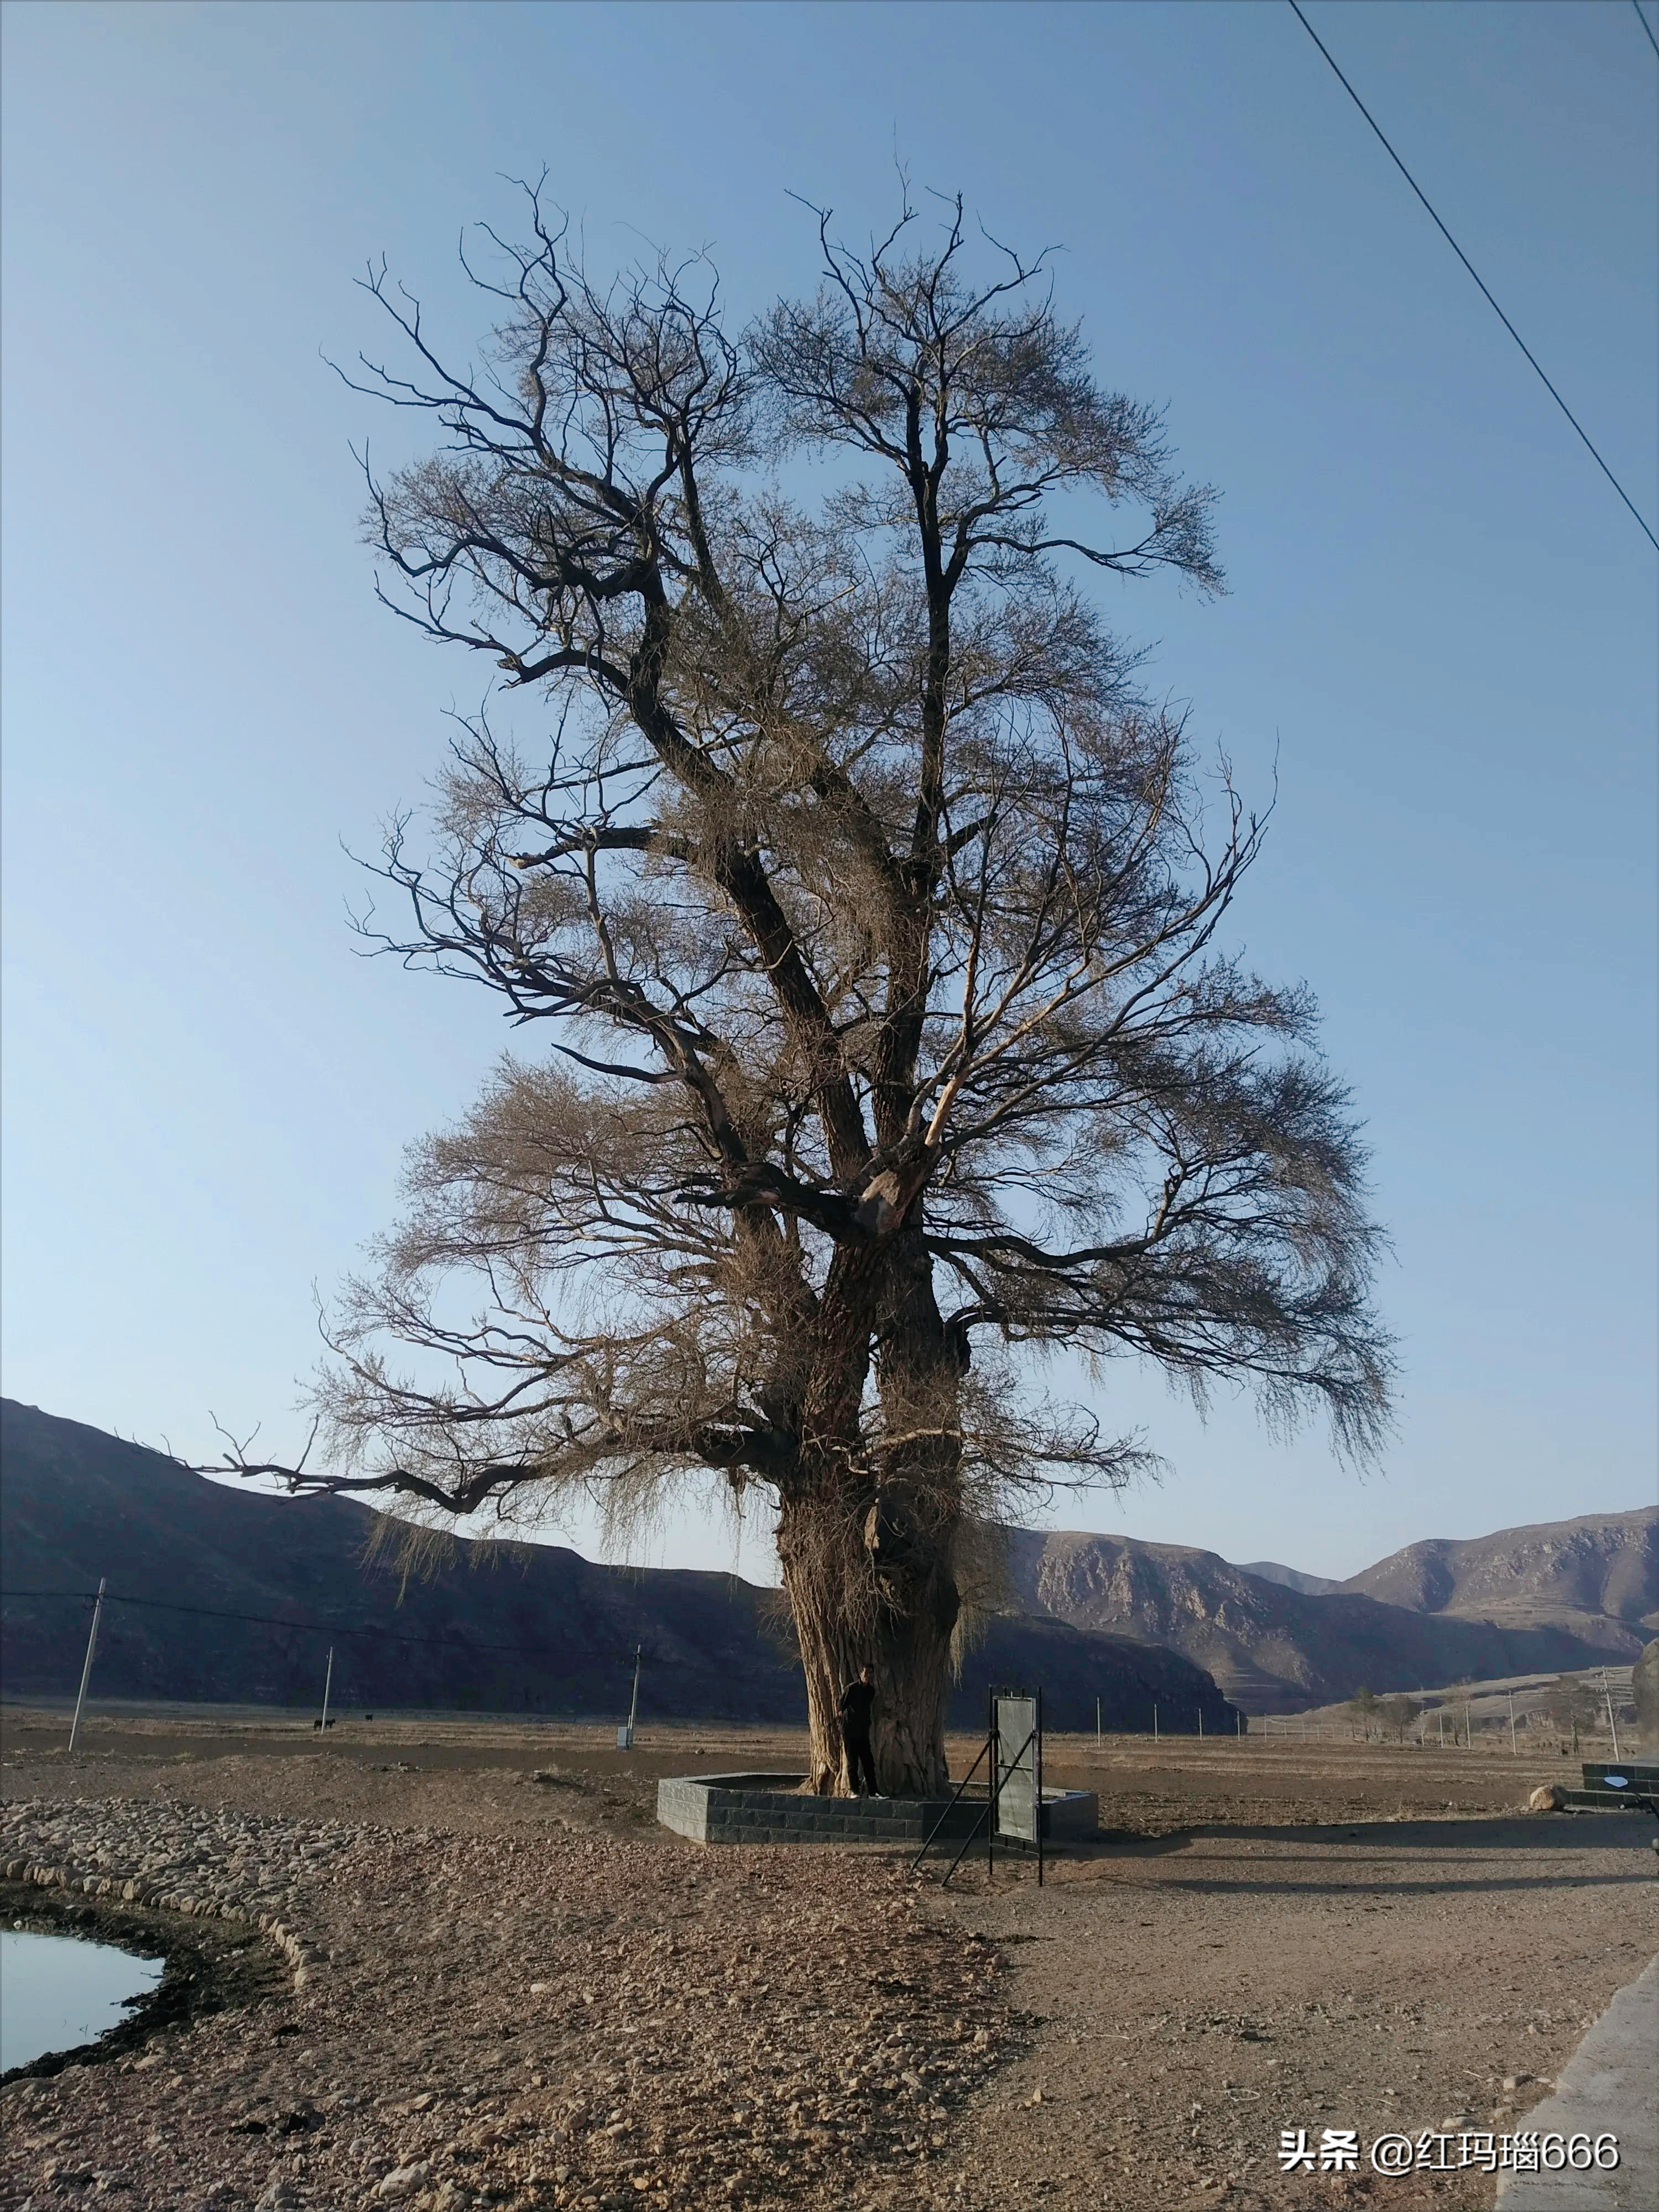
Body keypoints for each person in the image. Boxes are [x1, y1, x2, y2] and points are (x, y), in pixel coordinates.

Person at [839, 1663, 880, 1796]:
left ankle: (873, 1792)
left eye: (870, 1674)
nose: (867, 1676)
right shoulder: (851, 1689)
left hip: (863, 1731)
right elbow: (840, 1707)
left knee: (868, 1762)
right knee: (853, 1762)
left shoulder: (871, 1691)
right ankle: (854, 1791)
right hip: (850, 1731)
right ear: (861, 1673)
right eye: (865, 1673)